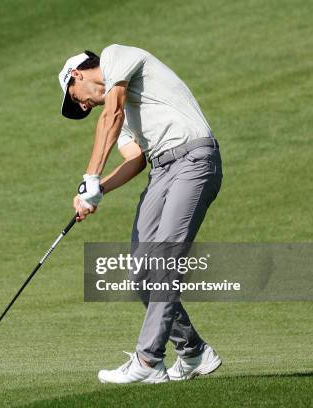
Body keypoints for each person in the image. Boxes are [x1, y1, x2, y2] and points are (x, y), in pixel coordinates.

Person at [58, 44, 223, 384]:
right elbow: (135, 159)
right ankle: (193, 352)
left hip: (194, 161)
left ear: (76, 74)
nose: (83, 105)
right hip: (161, 170)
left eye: (75, 98)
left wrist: (89, 176)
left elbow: (111, 115)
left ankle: (149, 361)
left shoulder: (115, 56)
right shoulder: (128, 115)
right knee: (142, 272)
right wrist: (98, 189)